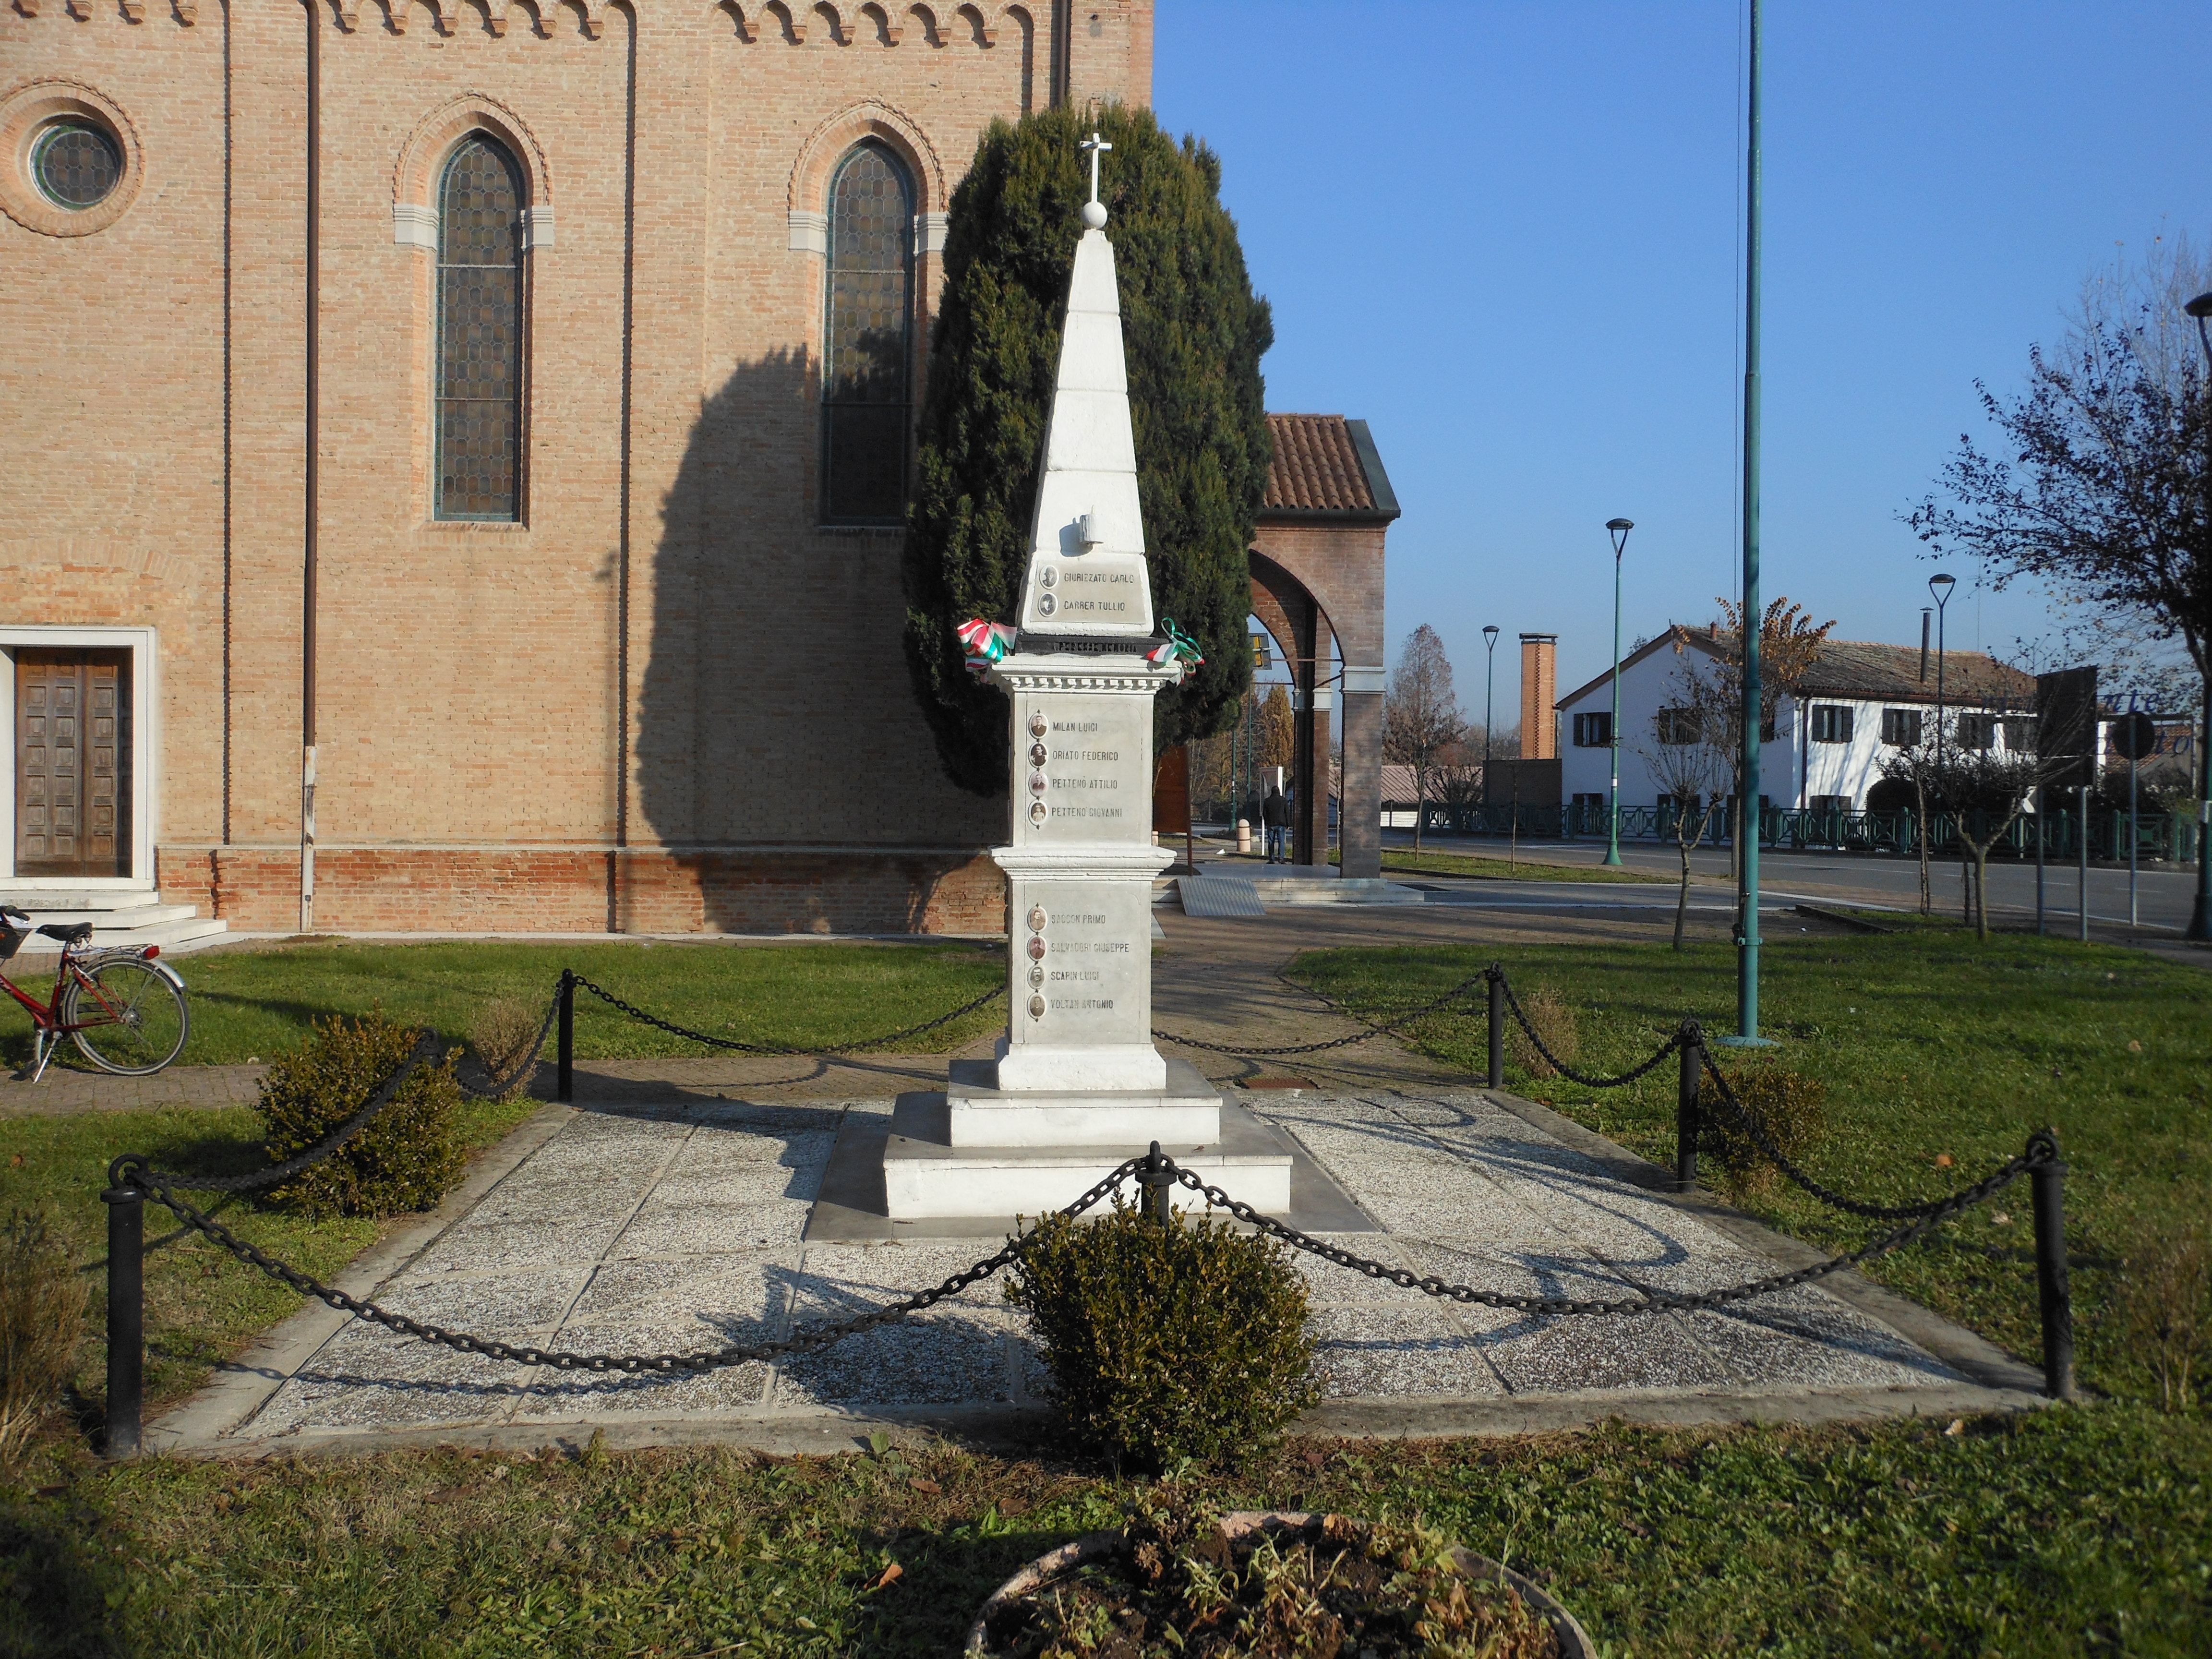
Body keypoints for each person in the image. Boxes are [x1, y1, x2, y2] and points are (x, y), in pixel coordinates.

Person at [1262, 783, 1289, 864]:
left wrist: (1267, 822)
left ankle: (1272, 859)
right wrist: (1288, 824)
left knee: (1271, 841)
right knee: (1281, 841)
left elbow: (1265, 813)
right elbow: (1287, 812)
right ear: (1279, 792)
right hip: (1281, 824)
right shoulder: (1283, 800)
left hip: (1271, 824)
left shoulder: (1267, 801)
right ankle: (1281, 858)